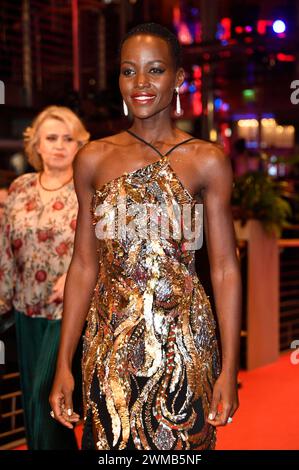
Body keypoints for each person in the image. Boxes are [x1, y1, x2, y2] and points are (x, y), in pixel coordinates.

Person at [50, 23, 241, 450]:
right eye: (128, 70)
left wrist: (230, 367)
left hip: (185, 346)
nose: (140, 83)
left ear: (178, 79)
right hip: (108, 345)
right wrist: (63, 363)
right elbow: (83, 264)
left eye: (155, 70)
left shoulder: (207, 161)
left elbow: (225, 268)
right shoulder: (93, 159)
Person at [0, 105, 90, 449]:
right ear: (36, 144)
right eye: (51, 138)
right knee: (36, 408)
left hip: (65, 312)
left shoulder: (87, 189)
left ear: (80, 145)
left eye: (69, 138)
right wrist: (4, 300)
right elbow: (6, 249)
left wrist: (73, 277)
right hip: (26, 308)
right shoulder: (21, 187)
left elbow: (102, 244)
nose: (59, 145)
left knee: (45, 401)